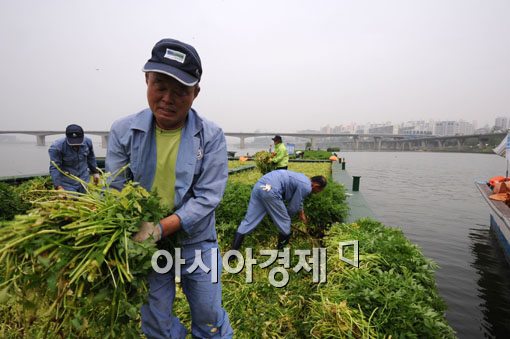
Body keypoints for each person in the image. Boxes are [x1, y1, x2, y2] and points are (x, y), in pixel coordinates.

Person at [105, 38, 233, 338]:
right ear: (146, 80)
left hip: (196, 240)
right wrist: (139, 231)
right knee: (155, 323)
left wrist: (161, 227)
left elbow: (208, 197)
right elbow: (115, 188)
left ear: (195, 94)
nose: (167, 98)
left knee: (209, 316)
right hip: (146, 243)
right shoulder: (124, 131)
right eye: (160, 86)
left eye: (180, 91)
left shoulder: (211, 136)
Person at [231, 170, 327, 251]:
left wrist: (301, 213)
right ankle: (281, 254)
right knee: (285, 223)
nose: (317, 193)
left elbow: (299, 199)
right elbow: (293, 207)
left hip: (260, 186)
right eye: (319, 191)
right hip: (271, 190)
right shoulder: (307, 187)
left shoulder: (303, 179)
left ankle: (232, 255)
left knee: (248, 221)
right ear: (316, 186)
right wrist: (285, 218)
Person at [48, 124, 99, 192]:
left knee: (86, 199)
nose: (76, 144)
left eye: (78, 141)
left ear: (83, 136)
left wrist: (95, 172)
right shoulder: (56, 147)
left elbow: (91, 157)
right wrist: (58, 187)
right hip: (68, 183)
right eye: (73, 142)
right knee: (71, 200)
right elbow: (54, 168)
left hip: (84, 180)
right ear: (67, 137)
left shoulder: (88, 142)